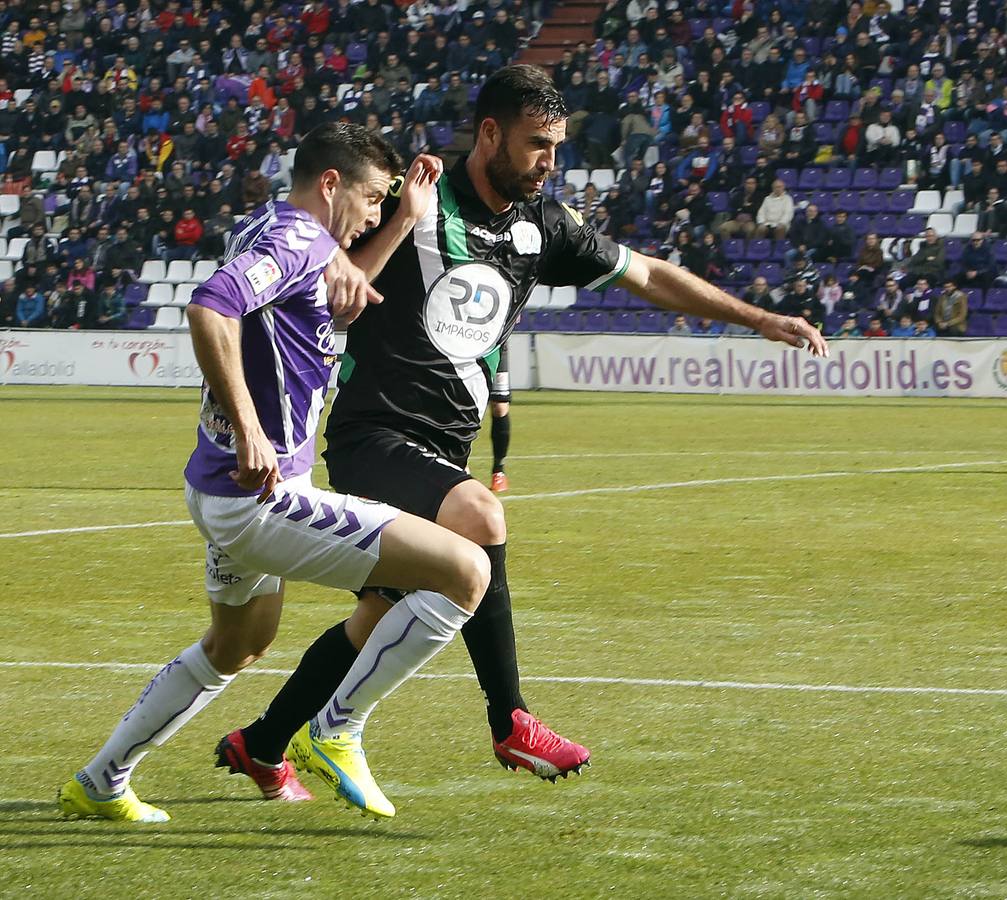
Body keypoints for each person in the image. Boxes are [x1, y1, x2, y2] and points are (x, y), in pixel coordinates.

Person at [219, 66, 828, 817]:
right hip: (373, 435)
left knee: (380, 615)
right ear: (489, 134)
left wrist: (758, 319)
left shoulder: (545, 224)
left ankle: (264, 741)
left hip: (444, 447)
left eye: (556, 147)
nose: (548, 161)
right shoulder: (415, 193)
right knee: (480, 520)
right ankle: (510, 720)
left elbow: (649, 275)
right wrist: (337, 261)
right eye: (537, 144)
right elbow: (321, 223)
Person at [58, 123, 474, 824]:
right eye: (371, 198)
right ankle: (335, 729)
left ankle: (101, 780)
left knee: (237, 644)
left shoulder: (275, 228)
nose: (371, 215)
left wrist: (404, 218)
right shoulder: (296, 241)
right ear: (331, 183)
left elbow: (326, 293)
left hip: (219, 487)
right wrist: (250, 427)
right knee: (464, 571)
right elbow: (210, 307)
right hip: (262, 494)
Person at [489, 348, 511, 493]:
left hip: (495, 347)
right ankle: (461, 466)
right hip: (465, 344)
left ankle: (499, 471)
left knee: (500, 407)